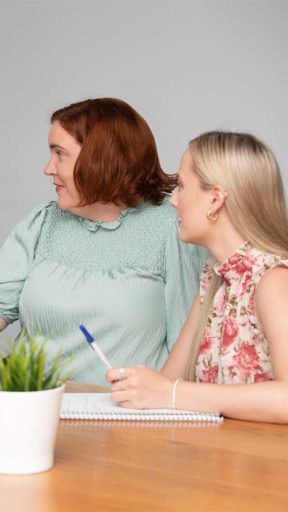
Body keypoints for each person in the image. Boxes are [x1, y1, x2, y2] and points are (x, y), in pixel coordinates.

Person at [0, 98, 208, 383]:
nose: (47, 168)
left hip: (125, 422)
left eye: (60, 155)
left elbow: (189, 339)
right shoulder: (45, 222)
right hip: (31, 405)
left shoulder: (172, 225)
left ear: (101, 159)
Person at [105, 131, 288, 423]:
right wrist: (142, 389)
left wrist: (172, 393)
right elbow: (168, 383)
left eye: (181, 186)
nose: (173, 201)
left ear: (215, 198)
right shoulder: (214, 279)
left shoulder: (274, 279)